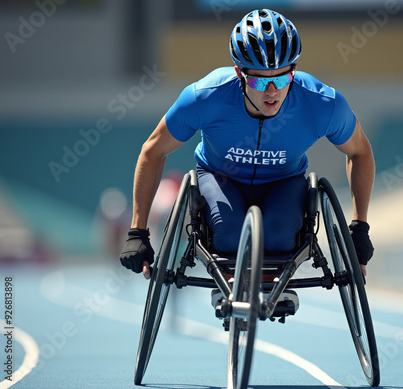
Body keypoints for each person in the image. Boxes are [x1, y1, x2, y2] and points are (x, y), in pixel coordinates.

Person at [119, 9, 375, 279]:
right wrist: (138, 231)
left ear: (294, 71)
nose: (272, 91)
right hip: (220, 177)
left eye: (281, 78)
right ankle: (233, 288)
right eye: (259, 80)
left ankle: (269, 289)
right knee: (228, 237)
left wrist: (360, 227)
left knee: (280, 239)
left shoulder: (323, 105)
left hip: (284, 182)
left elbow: (360, 152)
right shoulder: (204, 97)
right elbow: (153, 150)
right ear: (239, 73)